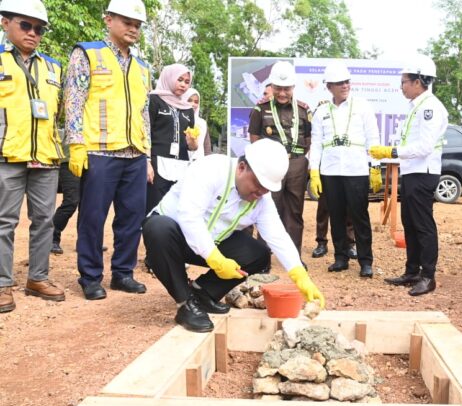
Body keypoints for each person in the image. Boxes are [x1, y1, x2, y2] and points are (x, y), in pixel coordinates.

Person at [142, 139, 325, 333]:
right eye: (259, 184)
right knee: (157, 228)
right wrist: (216, 259)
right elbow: (189, 218)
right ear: (242, 167)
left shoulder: (262, 198)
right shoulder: (211, 169)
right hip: (175, 237)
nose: (261, 192)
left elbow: (277, 235)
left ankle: (202, 294)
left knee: (259, 254)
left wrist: (300, 275)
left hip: (212, 241)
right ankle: (185, 303)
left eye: (267, 189)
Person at [64, 0, 151, 300]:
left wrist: (147, 154)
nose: (133, 28)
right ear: (108, 19)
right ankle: (90, 276)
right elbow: (74, 100)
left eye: (137, 24)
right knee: (92, 216)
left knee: (131, 217)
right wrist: (76, 144)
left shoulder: (142, 67)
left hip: (135, 154)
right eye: (127, 21)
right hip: (99, 152)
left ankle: (123, 273)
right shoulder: (87, 53)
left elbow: (143, 113)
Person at [0, 0, 65, 313]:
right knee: (4, 222)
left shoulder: (54, 67)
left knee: (44, 221)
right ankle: (2, 284)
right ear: (5, 23)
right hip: (6, 155)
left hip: (45, 158)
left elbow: (61, 112)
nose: (33, 33)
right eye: (25, 25)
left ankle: (37, 278)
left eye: (38, 29)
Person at [369, 54, 448, 296]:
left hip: (423, 172)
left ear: (418, 81)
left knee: (423, 225)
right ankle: (412, 271)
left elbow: (424, 147)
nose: (401, 86)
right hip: (412, 171)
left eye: (404, 81)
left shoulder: (430, 109)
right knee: (410, 224)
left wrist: (391, 151)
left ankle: (428, 276)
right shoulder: (417, 107)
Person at [308, 62, 380, 277]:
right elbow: (317, 144)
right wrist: (314, 172)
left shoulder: (363, 106)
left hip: (356, 170)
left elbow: (373, 138)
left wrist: (375, 167)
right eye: (339, 83)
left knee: (360, 216)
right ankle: (341, 257)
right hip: (330, 171)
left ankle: (366, 260)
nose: (345, 86)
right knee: (336, 216)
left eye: (347, 81)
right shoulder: (321, 112)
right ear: (329, 86)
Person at [248, 61, 311, 256]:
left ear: (293, 87)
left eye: (286, 89)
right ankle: (262, 257)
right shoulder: (260, 109)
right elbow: (255, 140)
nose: (282, 93)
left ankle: (293, 257)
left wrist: (299, 161)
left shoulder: (303, 110)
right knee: (268, 209)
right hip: (270, 166)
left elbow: (308, 140)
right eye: (277, 88)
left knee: (294, 211)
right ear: (271, 87)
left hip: (297, 164)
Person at [146, 63, 197, 212]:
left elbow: (191, 146)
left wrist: (192, 143)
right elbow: (146, 132)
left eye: (187, 82)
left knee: (176, 210)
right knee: (153, 209)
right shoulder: (154, 100)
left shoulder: (188, 109)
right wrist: (146, 162)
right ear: (169, 77)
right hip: (157, 163)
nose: (183, 85)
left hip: (181, 165)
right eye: (179, 79)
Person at [182, 88, 212, 161]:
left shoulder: (202, 123)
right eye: (189, 100)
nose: (193, 104)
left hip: (199, 163)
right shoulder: (178, 120)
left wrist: (208, 162)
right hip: (181, 162)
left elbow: (206, 146)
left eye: (196, 102)